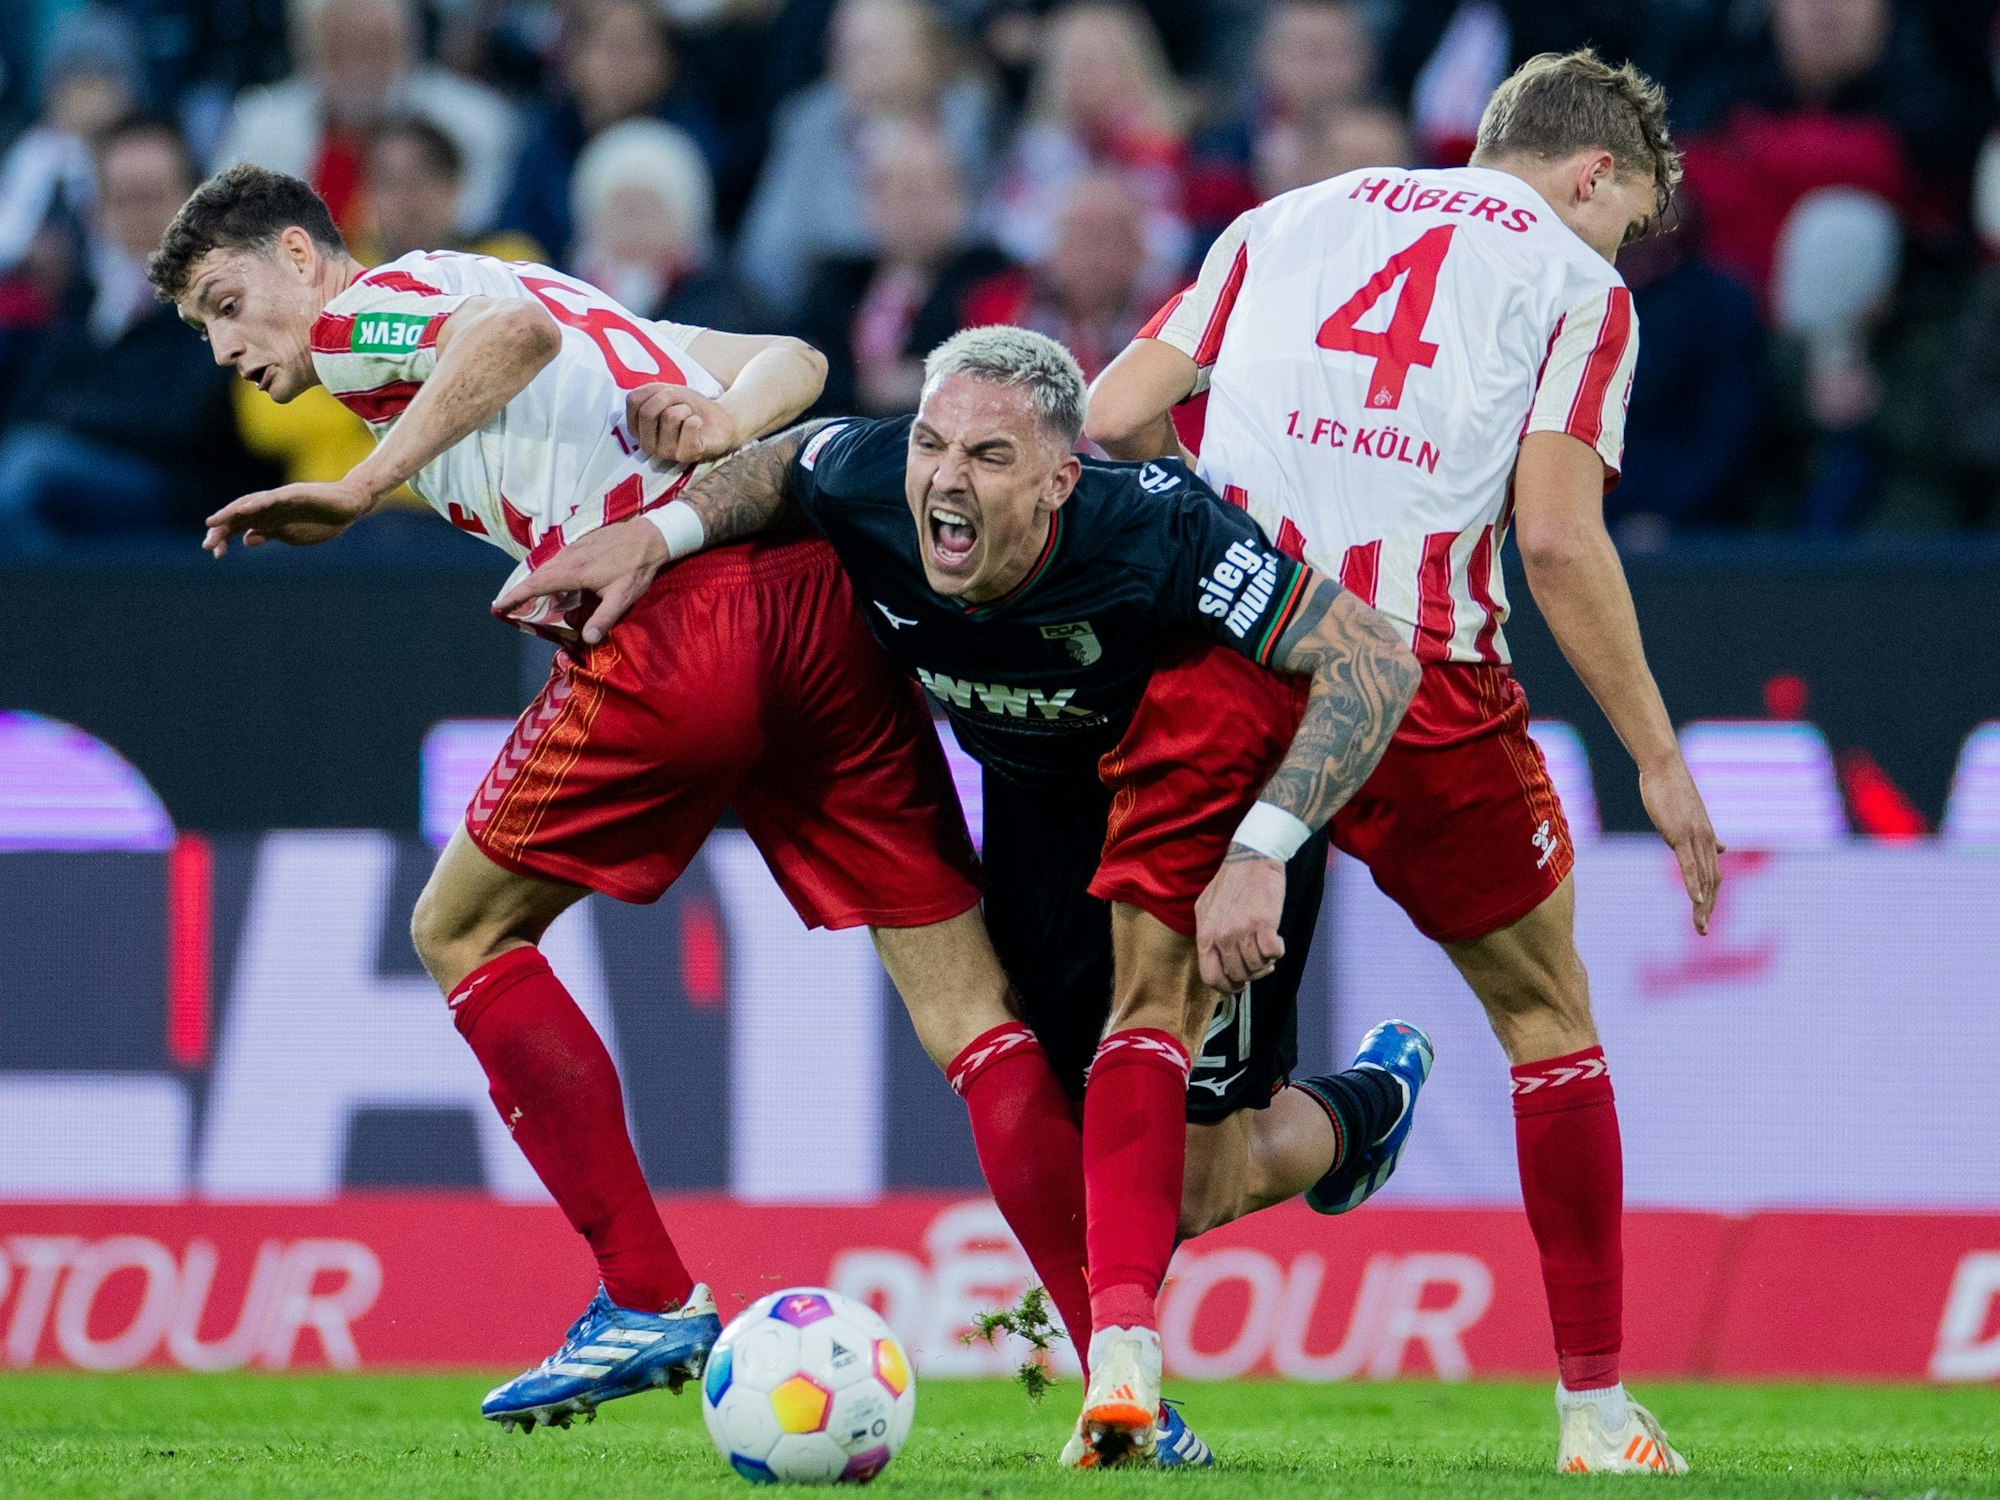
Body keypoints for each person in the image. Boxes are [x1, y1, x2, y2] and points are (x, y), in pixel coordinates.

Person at [147, 163, 999, 1432]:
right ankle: (1120, 1362)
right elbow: (790, 358)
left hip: (669, 608)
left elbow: (513, 339)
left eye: (227, 302)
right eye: (203, 328)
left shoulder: (359, 319)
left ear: (299, 252)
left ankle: (646, 1293)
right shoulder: (543, 279)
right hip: (810, 591)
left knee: (459, 928)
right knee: (971, 1008)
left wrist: (360, 484)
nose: (227, 345)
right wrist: (719, 425)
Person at [496, 325, 1425, 1467]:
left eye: (987, 458)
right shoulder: (873, 484)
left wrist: (1262, 848)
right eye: (931, 444)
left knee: (1155, 1121)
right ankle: (1360, 1117)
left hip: (1196, 776)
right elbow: (785, 462)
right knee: (1161, 1181)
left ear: (1057, 479)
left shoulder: (1157, 529)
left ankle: (1125, 1374)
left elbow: (1374, 660)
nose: (944, 476)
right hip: (1037, 803)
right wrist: (651, 532)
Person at [1085, 49, 1722, 1474]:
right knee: (1547, 1019)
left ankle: (1121, 1358)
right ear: (1590, 176)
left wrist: (1242, 520)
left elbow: (1118, 415)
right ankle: (1596, 1416)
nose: (1617, 245)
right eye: (1623, 218)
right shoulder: (1579, 286)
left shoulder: (1278, 220)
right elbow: (1556, 539)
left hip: (1234, 653)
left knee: (1151, 998)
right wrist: (1659, 760)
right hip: (1428, 678)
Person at [0, 120, 255, 552]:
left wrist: (67, 417)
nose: (138, 217)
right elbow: (30, 400)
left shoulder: (222, 297)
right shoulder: (88, 298)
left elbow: (180, 416)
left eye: (153, 197)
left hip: (182, 495)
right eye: (121, 200)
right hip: (77, 478)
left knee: (30, 468)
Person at [215, 0, 518, 244]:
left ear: (408, 43)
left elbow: (472, 228)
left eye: (376, 42)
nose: (359, 61)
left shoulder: (477, 122)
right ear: (307, 49)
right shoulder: (260, 127)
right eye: (340, 43)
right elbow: (230, 234)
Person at [797, 119, 1007, 417]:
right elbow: (797, 368)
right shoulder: (836, 279)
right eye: (908, 192)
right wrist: (867, 389)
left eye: (941, 190)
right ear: (869, 200)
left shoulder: (990, 278)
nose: (924, 208)